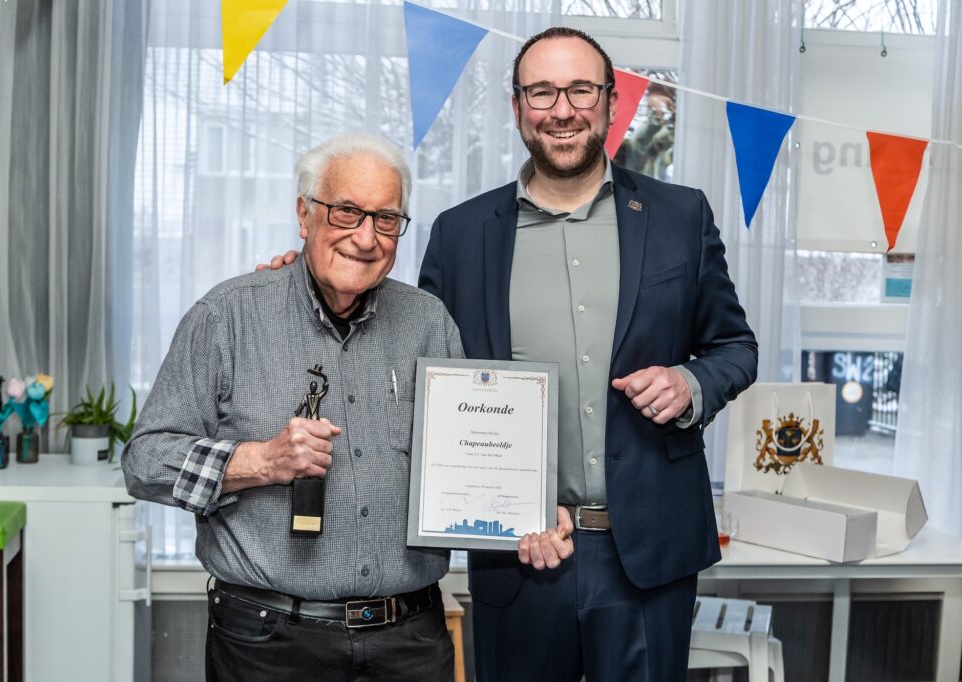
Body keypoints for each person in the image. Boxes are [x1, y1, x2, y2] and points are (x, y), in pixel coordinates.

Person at [261, 27, 756, 682]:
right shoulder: (463, 234)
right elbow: (403, 355)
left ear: (609, 101)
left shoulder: (679, 216)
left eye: (580, 89)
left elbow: (734, 347)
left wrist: (692, 384)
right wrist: (315, 282)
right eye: (542, 91)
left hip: (649, 554)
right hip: (513, 555)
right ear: (518, 106)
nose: (562, 109)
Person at [123, 132, 469, 682]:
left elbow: (468, 463)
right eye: (347, 212)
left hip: (411, 640)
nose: (366, 237)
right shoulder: (227, 316)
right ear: (304, 215)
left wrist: (521, 512)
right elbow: (145, 463)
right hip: (267, 642)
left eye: (385, 219)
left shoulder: (430, 323)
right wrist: (261, 462)